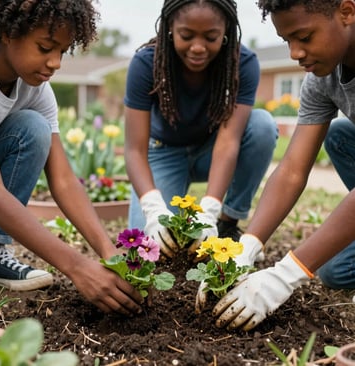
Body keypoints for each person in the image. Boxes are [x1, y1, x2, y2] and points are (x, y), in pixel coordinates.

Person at [0, 0, 143, 316]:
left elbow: (65, 180)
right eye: (45, 47)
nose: (55, 63)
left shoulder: (35, 90)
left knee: (33, 129)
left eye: (62, 52)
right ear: (6, 34)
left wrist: (111, 255)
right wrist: (77, 267)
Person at [210, 0, 355, 331]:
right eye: (287, 40)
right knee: (336, 271)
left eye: (304, 36)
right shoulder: (323, 76)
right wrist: (249, 245)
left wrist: (286, 274)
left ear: (347, 12)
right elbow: (291, 169)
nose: (294, 52)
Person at [123, 0, 278, 258]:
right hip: (163, 152)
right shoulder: (146, 63)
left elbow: (229, 142)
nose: (197, 47)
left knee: (262, 125)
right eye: (186, 35)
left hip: (212, 150)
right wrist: (153, 208)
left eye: (211, 37)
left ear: (226, 30)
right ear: (170, 27)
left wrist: (210, 209)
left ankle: (228, 224)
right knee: (147, 249)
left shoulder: (242, 63)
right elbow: (134, 150)